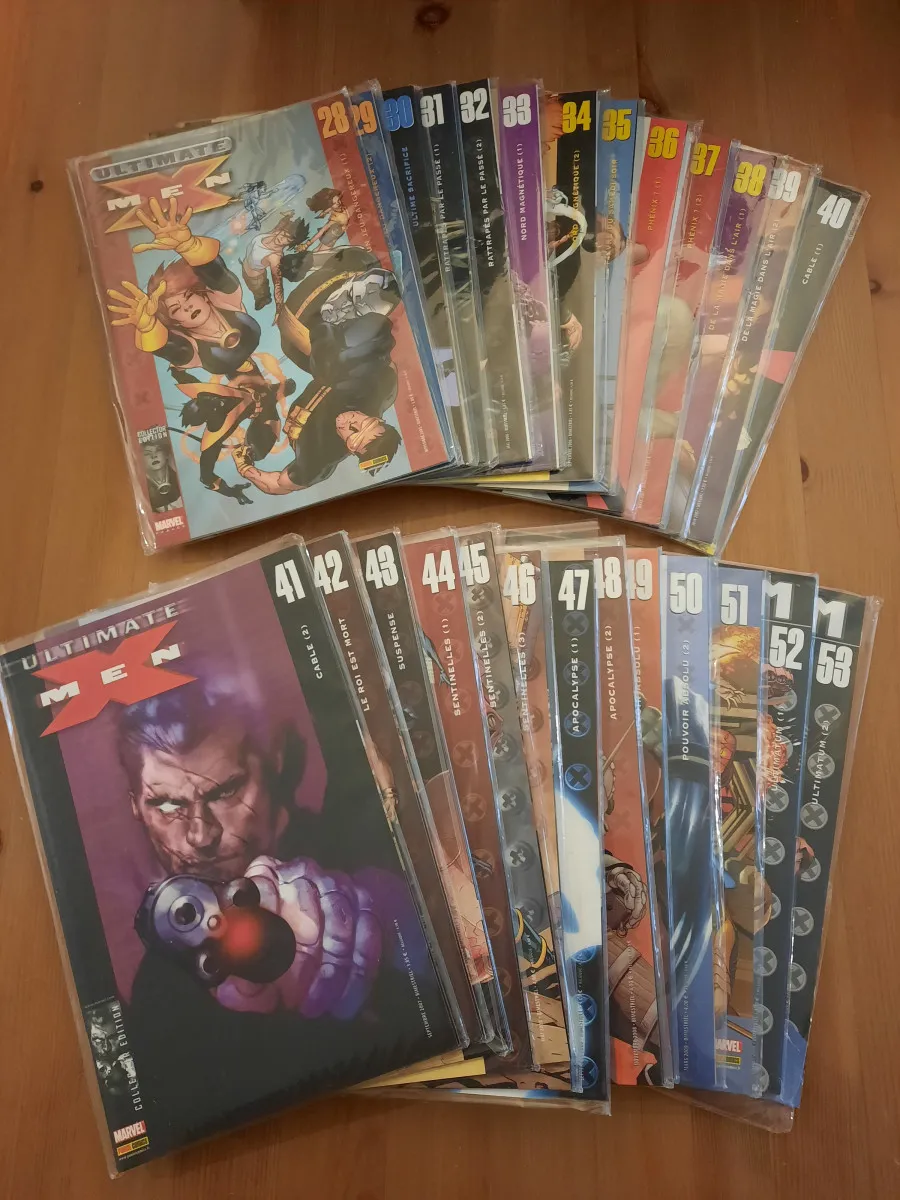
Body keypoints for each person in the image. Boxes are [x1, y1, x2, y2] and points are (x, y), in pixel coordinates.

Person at [118, 685, 429, 1143]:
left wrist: (387, 918)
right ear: (135, 807)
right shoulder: (159, 993)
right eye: (167, 805)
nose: (200, 835)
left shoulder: (366, 835)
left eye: (225, 790)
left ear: (275, 762)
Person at [234, 245, 406, 492]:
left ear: (351, 449)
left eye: (352, 434)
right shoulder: (377, 390)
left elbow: (279, 484)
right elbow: (384, 361)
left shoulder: (319, 459)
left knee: (311, 347)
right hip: (332, 353)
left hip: (309, 351)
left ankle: (340, 311)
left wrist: (245, 468)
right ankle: (348, 307)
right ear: (377, 419)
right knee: (362, 264)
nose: (350, 422)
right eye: (363, 422)